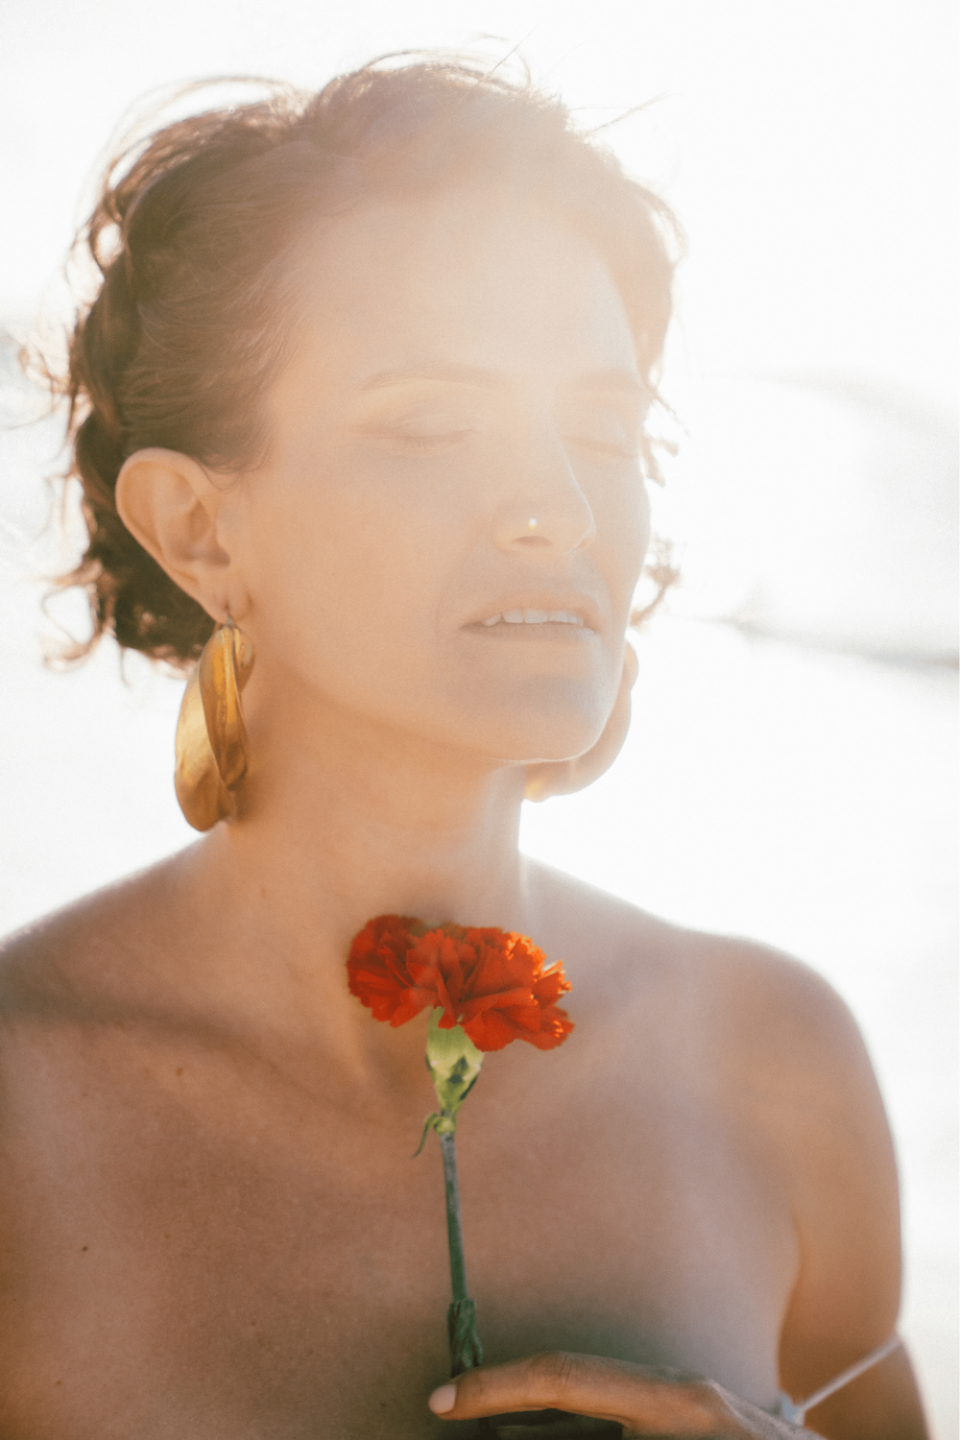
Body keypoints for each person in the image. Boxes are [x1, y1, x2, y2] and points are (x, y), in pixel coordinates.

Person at [0, 56, 929, 1440]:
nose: (555, 507)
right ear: (199, 532)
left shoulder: (775, 1064)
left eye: (605, 429)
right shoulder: (25, 1106)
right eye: (429, 423)